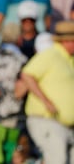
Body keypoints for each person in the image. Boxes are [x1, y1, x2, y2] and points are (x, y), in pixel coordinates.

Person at [21, 21, 74, 164]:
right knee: (57, 160)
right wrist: (46, 101)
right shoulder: (51, 55)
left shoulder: (69, 59)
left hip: (66, 124)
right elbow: (27, 74)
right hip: (47, 120)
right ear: (66, 41)